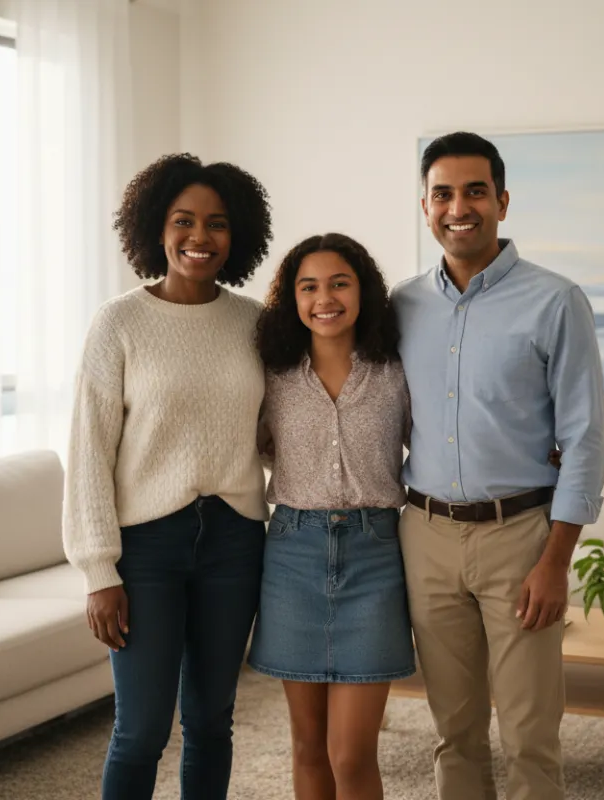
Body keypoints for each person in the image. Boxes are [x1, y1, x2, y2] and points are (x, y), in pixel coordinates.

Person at [391, 131, 604, 800]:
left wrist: (556, 561)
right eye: (443, 194)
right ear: (425, 207)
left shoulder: (556, 301)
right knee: (453, 732)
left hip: (520, 539)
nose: (459, 208)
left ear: (503, 202)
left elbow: (585, 439)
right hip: (425, 534)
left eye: (475, 192)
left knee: (528, 736)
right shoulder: (400, 306)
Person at [62, 152, 274, 800]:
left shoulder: (254, 323)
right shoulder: (119, 322)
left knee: (211, 722)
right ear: (156, 227)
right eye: (184, 220)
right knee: (141, 730)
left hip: (235, 540)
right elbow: (89, 451)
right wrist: (99, 571)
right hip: (145, 549)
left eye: (216, 223)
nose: (199, 236)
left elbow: (274, 433)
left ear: (237, 235)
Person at [248, 232, 416, 800]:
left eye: (339, 283)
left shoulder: (394, 371)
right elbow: (245, 441)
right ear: (291, 298)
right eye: (309, 286)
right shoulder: (271, 374)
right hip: (292, 555)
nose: (325, 298)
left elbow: (439, 439)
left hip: (375, 557)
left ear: (362, 291)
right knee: (308, 746)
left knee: (351, 754)